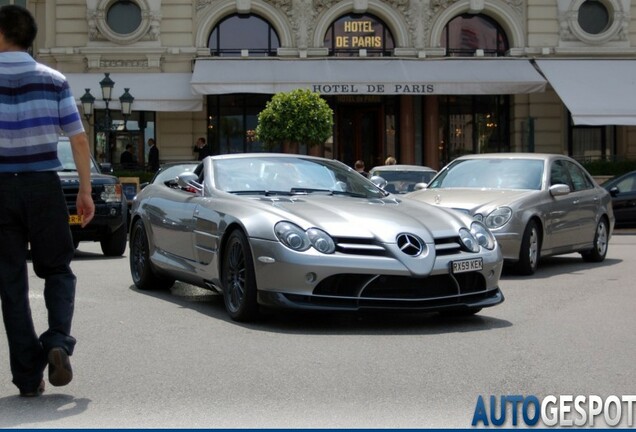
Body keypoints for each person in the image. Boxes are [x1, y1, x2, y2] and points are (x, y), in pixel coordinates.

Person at [0, 5, 95, 397]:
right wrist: (86, 191)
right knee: (57, 270)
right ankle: (57, 340)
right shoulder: (54, 80)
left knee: (10, 283)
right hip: (43, 185)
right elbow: (78, 138)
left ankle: (27, 377)